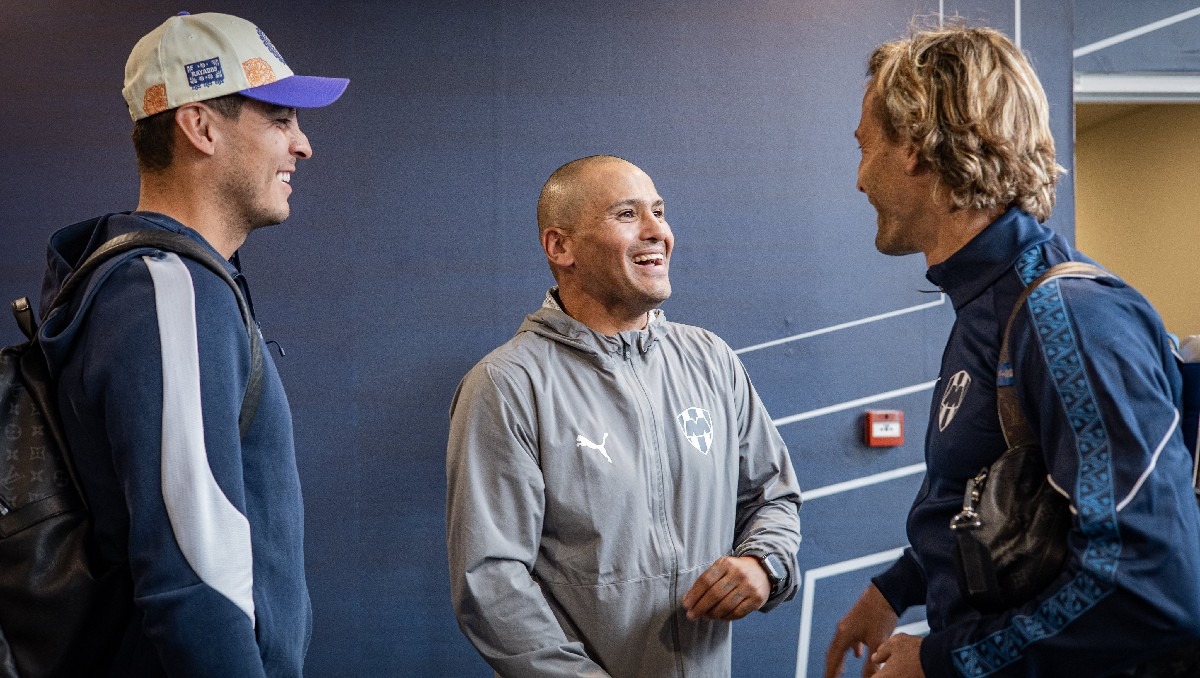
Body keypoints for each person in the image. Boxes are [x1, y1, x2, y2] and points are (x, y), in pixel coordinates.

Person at [824, 24, 1200, 678]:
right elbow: (1012, 495)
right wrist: (898, 586)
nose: (859, 180)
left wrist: (942, 661)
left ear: (914, 145)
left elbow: (1153, 588)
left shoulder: (1070, 321)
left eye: (865, 146)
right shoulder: (992, 306)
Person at [35, 12, 347, 675]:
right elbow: (196, 576)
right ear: (200, 126)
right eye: (279, 118)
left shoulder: (159, 282)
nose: (303, 145)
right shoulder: (165, 291)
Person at [446, 155, 803, 677]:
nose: (658, 231)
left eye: (659, 211)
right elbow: (492, 585)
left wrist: (763, 564)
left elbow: (774, 497)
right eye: (627, 214)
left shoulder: (711, 359)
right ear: (560, 246)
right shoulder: (507, 384)